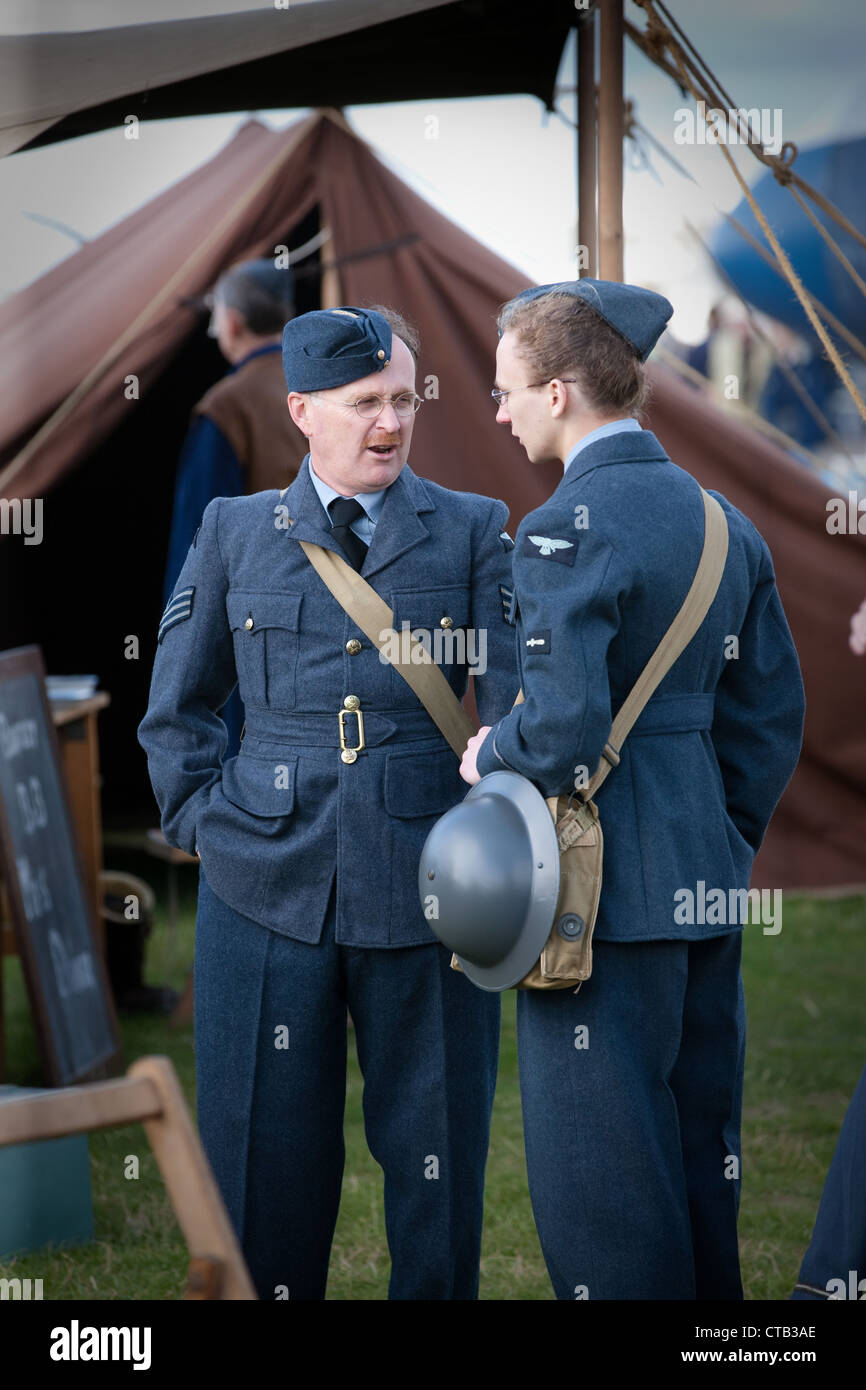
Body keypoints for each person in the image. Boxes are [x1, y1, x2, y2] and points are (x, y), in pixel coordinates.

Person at [138, 304, 518, 1300]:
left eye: (402, 398)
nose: (389, 421)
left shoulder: (476, 529)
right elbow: (175, 711)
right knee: (263, 1167)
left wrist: (498, 820)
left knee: (435, 1167)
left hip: (431, 889)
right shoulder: (233, 532)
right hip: (264, 892)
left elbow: (517, 709)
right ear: (301, 409)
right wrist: (210, 832)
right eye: (363, 404)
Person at [460, 279, 806, 1301]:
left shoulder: (559, 528)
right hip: (700, 878)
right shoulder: (721, 521)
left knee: (603, 1193)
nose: (496, 410)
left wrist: (490, 755)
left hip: (592, 901)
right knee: (701, 1158)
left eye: (505, 389)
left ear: (560, 391)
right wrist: (717, 840)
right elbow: (765, 723)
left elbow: (561, 731)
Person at [164, 258, 309, 756]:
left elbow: (200, 540)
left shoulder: (226, 405)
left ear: (231, 321)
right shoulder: (324, 394)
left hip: (253, 621)